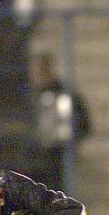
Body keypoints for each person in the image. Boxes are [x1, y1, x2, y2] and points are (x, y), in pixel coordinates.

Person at [30, 52, 91, 190]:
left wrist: (71, 139)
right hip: (36, 156)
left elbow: (83, 123)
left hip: (59, 155)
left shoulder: (64, 93)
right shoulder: (31, 95)